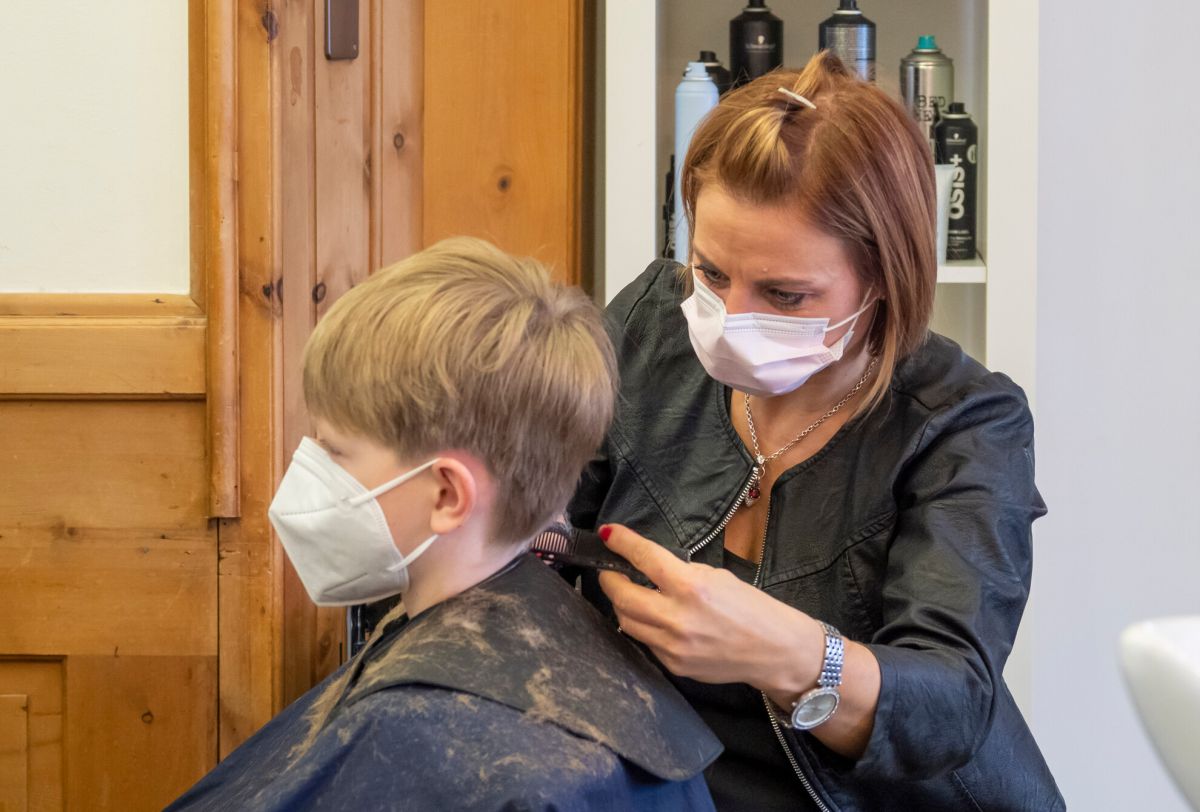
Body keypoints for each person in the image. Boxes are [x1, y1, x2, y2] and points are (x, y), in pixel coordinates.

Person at [567, 53, 1065, 810]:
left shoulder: (964, 425)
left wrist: (788, 655)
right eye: (711, 273)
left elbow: (952, 705)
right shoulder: (649, 328)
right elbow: (545, 518)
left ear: (885, 275)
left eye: (785, 294)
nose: (730, 319)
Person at [168, 238, 721, 811]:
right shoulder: (589, 663)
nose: (308, 467)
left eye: (334, 450)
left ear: (448, 494)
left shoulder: (425, 740)